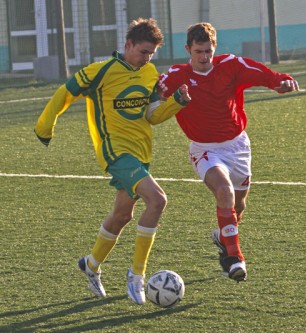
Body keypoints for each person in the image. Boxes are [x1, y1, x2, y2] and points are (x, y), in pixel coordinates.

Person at [34, 18, 190, 305]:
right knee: (157, 200)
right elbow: (65, 92)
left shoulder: (150, 72)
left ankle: (91, 265)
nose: (147, 58)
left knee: (122, 217)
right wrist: (46, 126)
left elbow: (152, 116)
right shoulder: (101, 72)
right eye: (143, 52)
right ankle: (137, 275)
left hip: (141, 154)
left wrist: (176, 102)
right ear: (128, 45)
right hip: (115, 152)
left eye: (151, 54)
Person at [157, 22, 299, 282]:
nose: (204, 57)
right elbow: (151, 95)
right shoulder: (176, 75)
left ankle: (223, 237)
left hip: (237, 146)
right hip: (204, 149)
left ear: (215, 48)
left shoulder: (231, 65)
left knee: (238, 204)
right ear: (188, 49)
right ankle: (234, 258)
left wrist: (282, 81)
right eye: (198, 51)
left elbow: (262, 74)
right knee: (224, 191)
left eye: (208, 51)